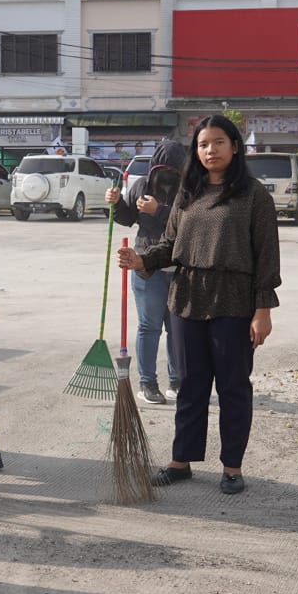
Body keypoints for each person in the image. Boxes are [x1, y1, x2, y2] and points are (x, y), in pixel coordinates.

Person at [116, 116, 280, 496]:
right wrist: (143, 260)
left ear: (235, 146)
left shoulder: (254, 195)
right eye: (203, 144)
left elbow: (267, 257)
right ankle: (181, 461)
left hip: (234, 300)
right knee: (189, 383)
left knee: (233, 385)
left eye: (218, 142)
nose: (211, 150)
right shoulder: (186, 196)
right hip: (187, 297)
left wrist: (263, 309)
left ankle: (232, 467)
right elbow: (171, 245)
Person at [104, 139, 187, 404]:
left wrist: (159, 210)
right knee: (150, 326)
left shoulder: (190, 191)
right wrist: (116, 203)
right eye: (162, 170)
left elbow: (188, 225)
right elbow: (128, 219)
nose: (166, 177)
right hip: (146, 266)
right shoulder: (140, 185)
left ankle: (178, 381)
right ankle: (148, 383)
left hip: (181, 268)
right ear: (153, 169)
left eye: (173, 171)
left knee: (177, 328)